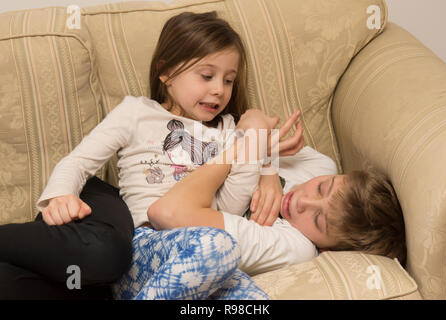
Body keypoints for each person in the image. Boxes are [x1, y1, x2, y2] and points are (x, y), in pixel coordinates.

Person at [0, 11, 299, 299]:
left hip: (201, 252)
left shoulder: (229, 129)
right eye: (207, 75)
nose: (219, 90)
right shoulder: (136, 113)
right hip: (146, 246)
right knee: (222, 246)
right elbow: (78, 162)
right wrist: (61, 195)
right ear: (166, 73)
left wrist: (256, 133)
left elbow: (230, 209)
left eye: (228, 80)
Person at [113, 109, 406, 300]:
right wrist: (267, 167)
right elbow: (253, 118)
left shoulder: (295, 246)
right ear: (336, 176)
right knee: (219, 250)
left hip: (160, 253)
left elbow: (167, 213)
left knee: (253, 301)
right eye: (321, 188)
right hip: (136, 245)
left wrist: (251, 145)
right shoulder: (320, 165)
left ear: (328, 249)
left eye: (318, 221)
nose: (301, 201)